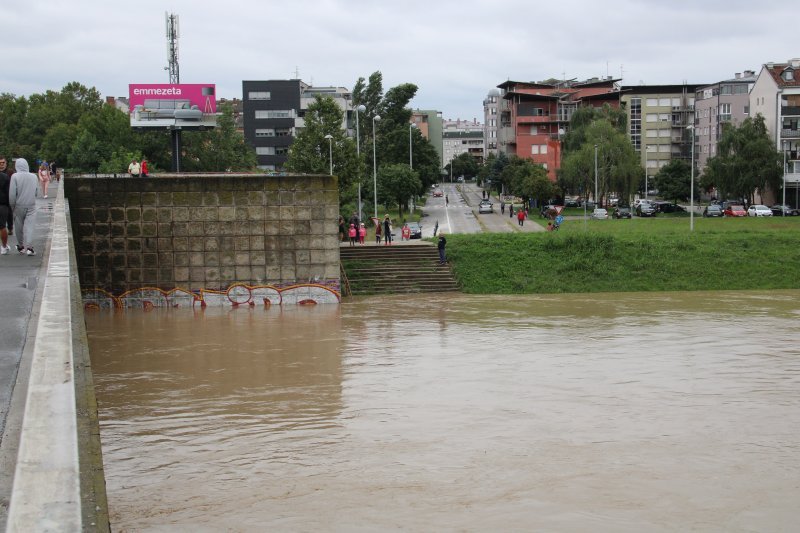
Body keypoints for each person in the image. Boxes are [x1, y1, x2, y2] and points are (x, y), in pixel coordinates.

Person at [9, 158, 39, 255]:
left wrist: (12, 206)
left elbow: (12, 194)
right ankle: (30, 248)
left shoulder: (15, 176)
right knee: (30, 226)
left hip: (18, 205)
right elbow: (36, 192)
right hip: (31, 205)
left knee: (18, 226)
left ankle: (20, 246)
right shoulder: (34, 176)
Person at [0, 157, 13, 237]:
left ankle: (10, 227)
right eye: (0, 163)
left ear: (6, 163)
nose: (1, 165)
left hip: (8, 196)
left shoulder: (10, 172)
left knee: (9, 213)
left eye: (3, 163)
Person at [0, 162, 10, 254]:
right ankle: (3, 246)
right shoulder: (5, 177)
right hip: (3, 204)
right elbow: (8, 192)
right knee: (2, 226)